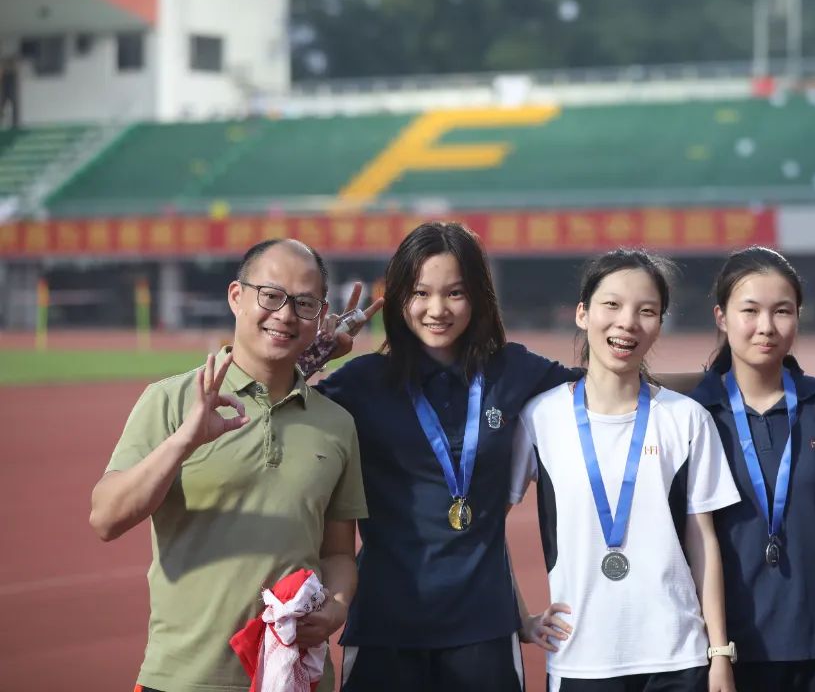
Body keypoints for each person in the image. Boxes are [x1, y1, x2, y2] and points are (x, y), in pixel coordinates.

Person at [89, 239, 368, 692]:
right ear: (236, 296)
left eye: (304, 304)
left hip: (294, 677)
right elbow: (106, 518)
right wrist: (184, 440)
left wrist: (336, 606)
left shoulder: (336, 424)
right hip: (181, 678)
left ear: (320, 316)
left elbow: (338, 552)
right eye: (270, 296)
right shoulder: (171, 401)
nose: (285, 315)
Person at [314, 221, 581, 692]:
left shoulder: (513, 371)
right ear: (399, 298)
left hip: (484, 630)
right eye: (420, 293)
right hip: (385, 626)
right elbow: (272, 406)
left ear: (478, 296)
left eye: (454, 293)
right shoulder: (362, 382)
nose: (437, 310)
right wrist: (316, 354)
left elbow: (607, 389)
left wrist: (714, 389)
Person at [510, 248, 740, 692]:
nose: (627, 322)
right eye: (612, 305)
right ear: (583, 313)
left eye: (646, 311)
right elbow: (487, 524)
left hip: (678, 657)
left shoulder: (687, 419)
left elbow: (703, 540)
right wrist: (520, 616)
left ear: (660, 323)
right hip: (581, 661)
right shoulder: (540, 418)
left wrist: (718, 653)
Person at [686, 246, 815, 692]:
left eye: (782, 311)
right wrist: (717, 651)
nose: (766, 326)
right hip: (731, 652)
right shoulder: (692, 414)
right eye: (750, 311)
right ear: (721, 317)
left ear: (798, 317)